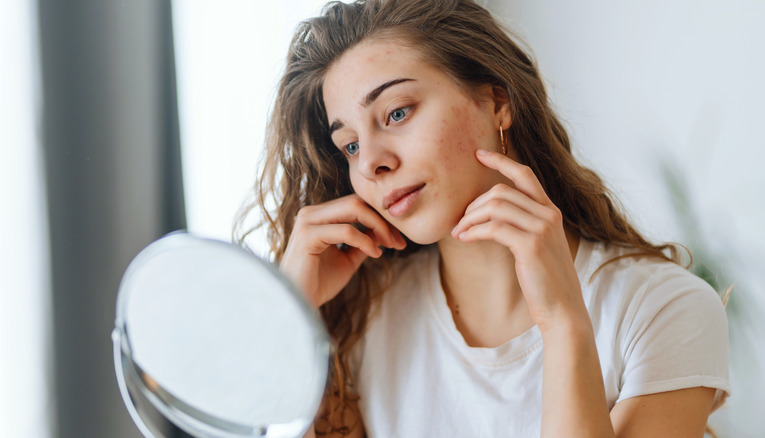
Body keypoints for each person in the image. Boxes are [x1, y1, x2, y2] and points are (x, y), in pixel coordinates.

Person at [236, 0, 730, 436]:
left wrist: (562, 322)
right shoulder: (368, 314)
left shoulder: (661, 308)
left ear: (497, 102)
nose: (370, 163)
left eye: (397, 113)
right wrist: (292, 317)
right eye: (349, 144)